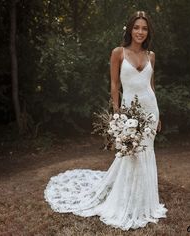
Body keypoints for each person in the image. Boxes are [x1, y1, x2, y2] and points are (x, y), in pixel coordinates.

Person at [44, 10, 167, 231]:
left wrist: (158, 115)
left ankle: (145, 202)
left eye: (144, 28)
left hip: (150, 110)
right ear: (130, 29)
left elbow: (151, 85)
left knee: (146, 152)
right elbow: (114, 85)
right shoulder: (118, 53)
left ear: (148, 32)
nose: (140, 31)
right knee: (130, 154)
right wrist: (117, 112)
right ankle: (126, 201)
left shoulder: (151, 55)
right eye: (136, 27)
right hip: (129, 112)